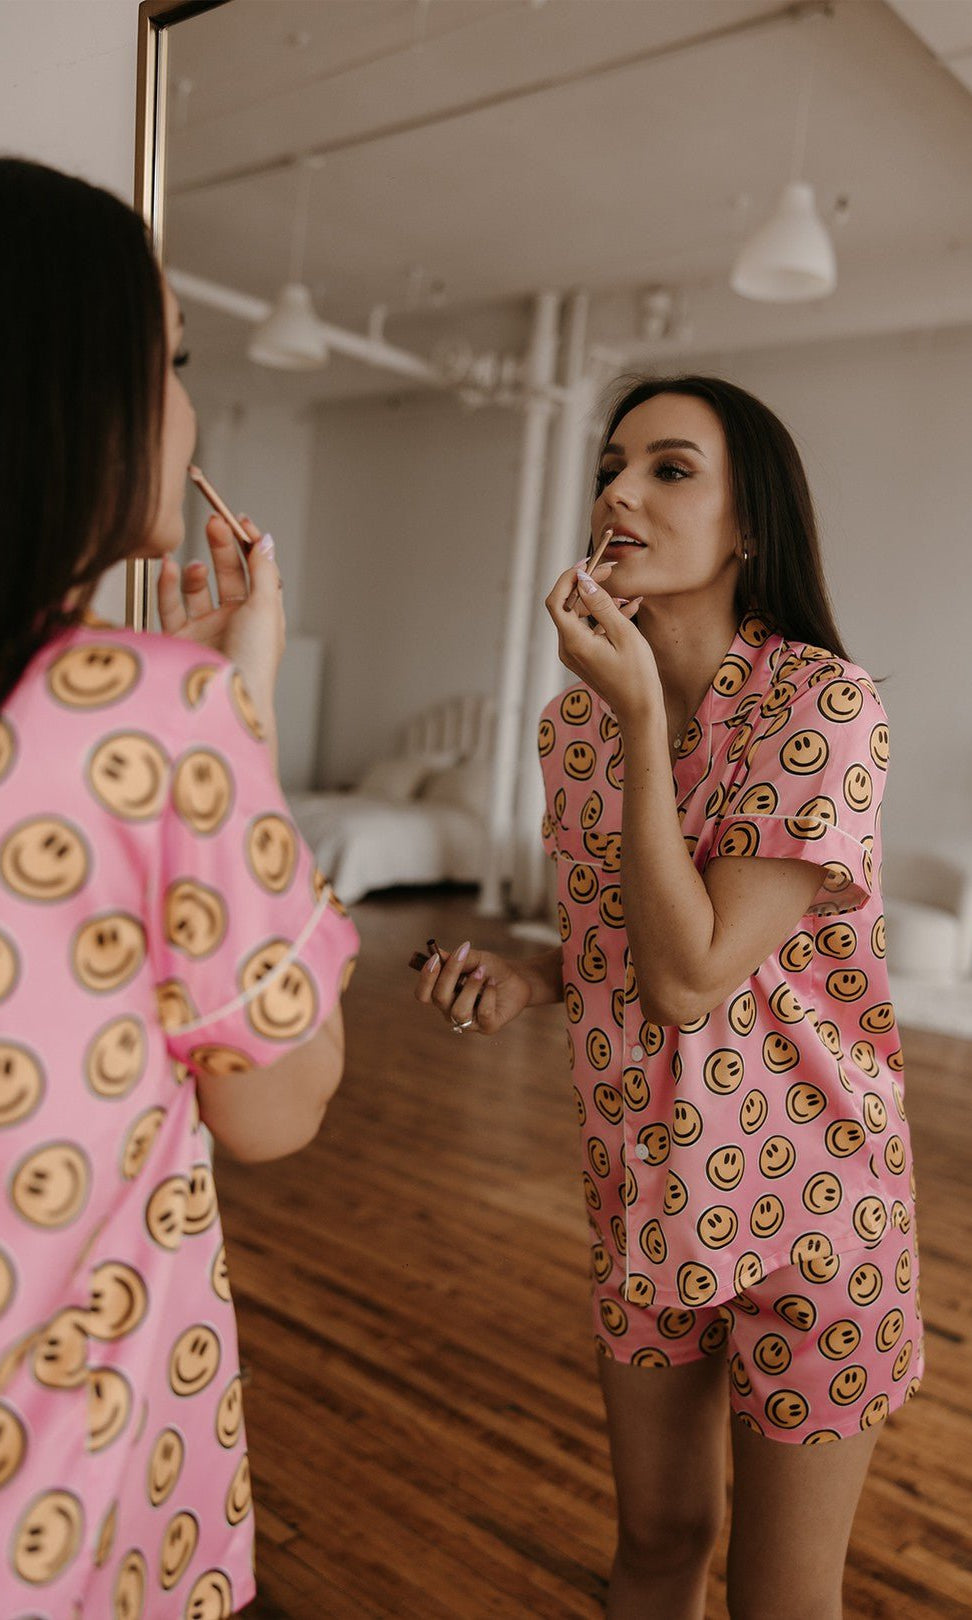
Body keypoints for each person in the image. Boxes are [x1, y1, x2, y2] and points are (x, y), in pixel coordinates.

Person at [414, 375, 921, 1619]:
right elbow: (614, 941)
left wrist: (640, 715)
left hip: (812, 1207)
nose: (619, 494)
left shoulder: (825, 707)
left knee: (778, 1595)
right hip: (645, 1193)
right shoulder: (570, 729)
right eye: (610, 467)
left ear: (751, 525)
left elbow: (694, 975)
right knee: (654, 1542)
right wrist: (525, 979)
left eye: (670, 469)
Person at [0, 158, 358, 1618]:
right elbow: (277, 1106)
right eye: (179, 364)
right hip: (75, 1507)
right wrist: (236, 702)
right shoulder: (151, 716)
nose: (194, 411)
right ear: (74, 394)